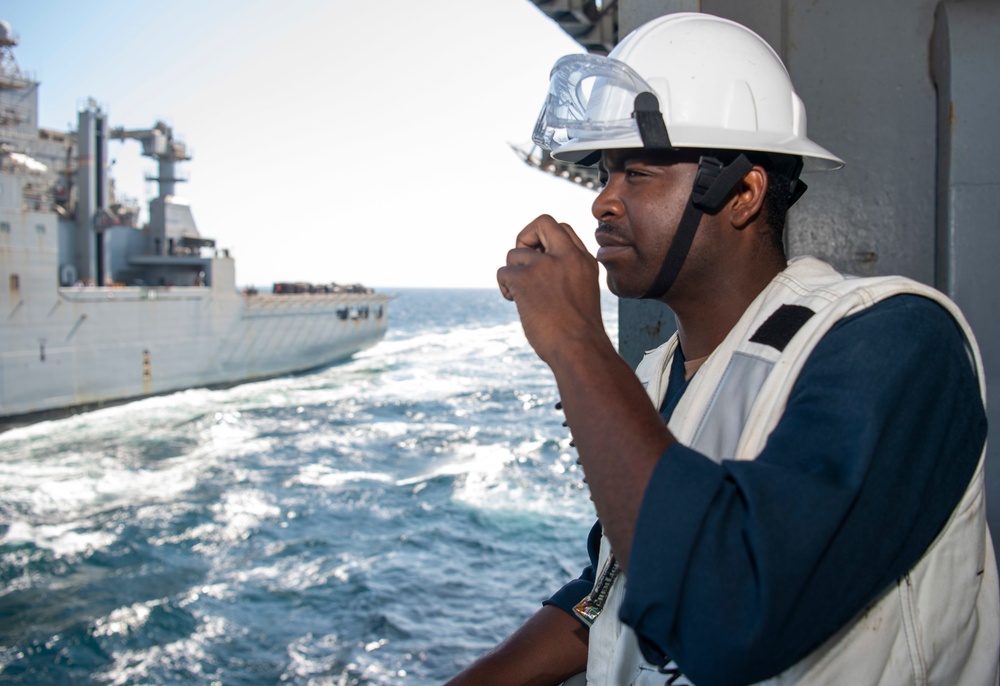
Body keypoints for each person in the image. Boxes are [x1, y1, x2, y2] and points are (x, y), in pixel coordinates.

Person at [444, 11, 999, 686]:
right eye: (605, 175)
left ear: (740, 193)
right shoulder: (654, 378)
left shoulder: (897, 342)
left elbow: (727, 607)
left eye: (639, 173)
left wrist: (573, 338)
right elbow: (610, 586)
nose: (603, 203)